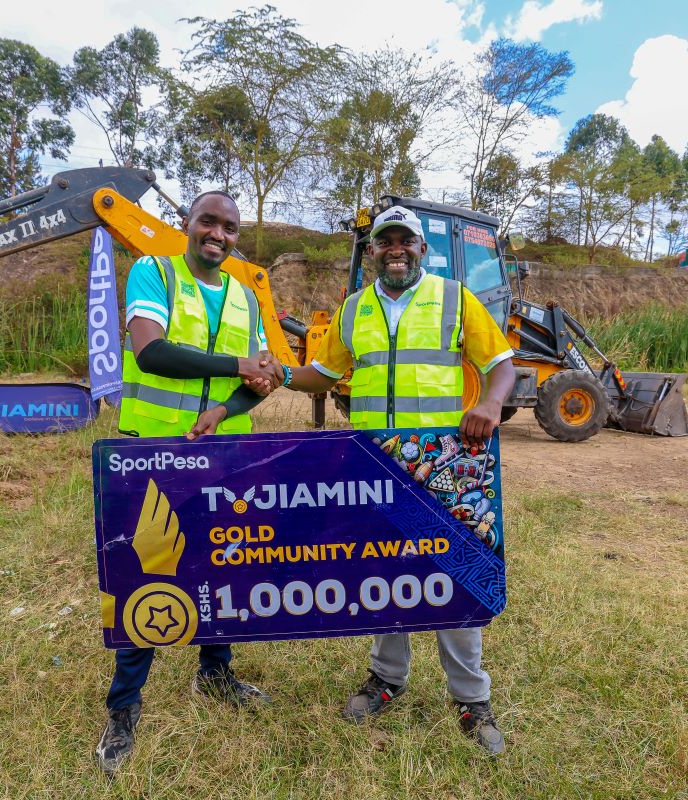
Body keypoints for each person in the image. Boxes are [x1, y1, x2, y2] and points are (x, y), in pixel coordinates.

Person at [192, 205, 515, 754]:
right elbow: (324, 373)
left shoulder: (456, 299)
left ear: (421, 249)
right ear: (371, 253)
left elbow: (502, 365)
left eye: (404, 241)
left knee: (455, 575)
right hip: (376, 464)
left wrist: (488, 402)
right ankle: (387, 680)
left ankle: (470, 697)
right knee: (387, 574)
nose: (395, 249)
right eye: (384, 242)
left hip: (443, 464)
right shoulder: (351, 310)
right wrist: (281, 373)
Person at [97, 190, 282, 775]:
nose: (219, 235)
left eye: (230, 228)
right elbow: (149, 353)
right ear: (187, 224)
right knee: (144, 573)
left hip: (223, 452)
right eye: (209, 222)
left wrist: (228, 407)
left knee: (222, 563)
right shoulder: (154, 272)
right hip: (150, 454)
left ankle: (215, 672)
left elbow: (256, 380)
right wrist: (240, 368)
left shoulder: (246, 297)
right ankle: (124, 707)